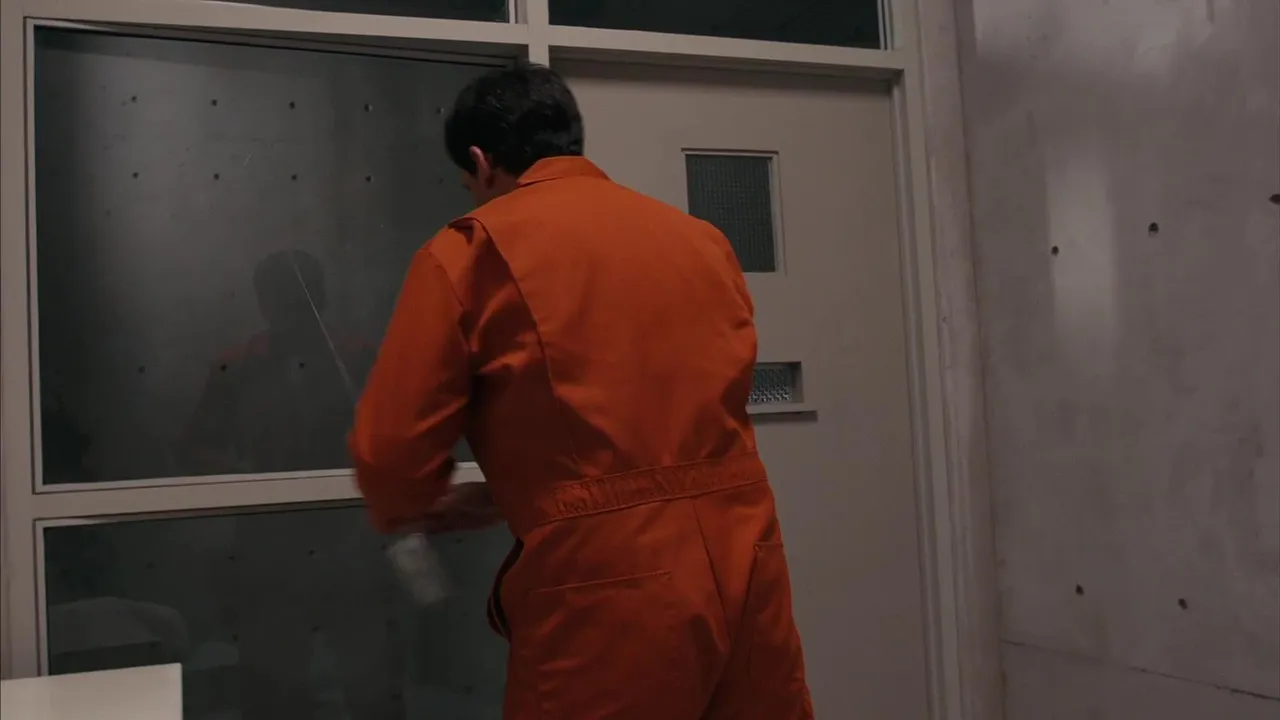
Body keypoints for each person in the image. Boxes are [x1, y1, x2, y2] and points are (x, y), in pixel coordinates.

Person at [350, 62, 813, 719]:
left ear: (481, 161)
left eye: (468, 182)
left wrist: (413, 506)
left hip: (611, 582)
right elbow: (657, 420)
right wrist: (522, 488)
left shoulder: (471, 251)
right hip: (747, 557)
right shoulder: (700, 240)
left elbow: (391, 449)